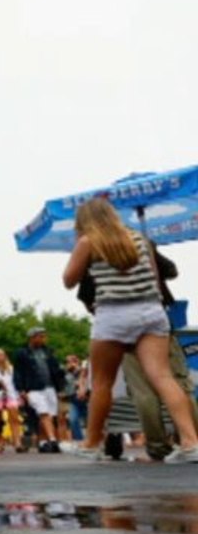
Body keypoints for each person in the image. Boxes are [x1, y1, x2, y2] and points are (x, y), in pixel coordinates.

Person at [61, 197, 198, 462]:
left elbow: (69, 280)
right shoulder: (140, 239)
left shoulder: (89, 242)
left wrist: (82, 251)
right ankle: (191, 442)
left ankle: (91, 444)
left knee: (102, 383)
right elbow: (156, 281)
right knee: (163, 377)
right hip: (151, 312)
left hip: (114, 314)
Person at [11, 327, 66, 454]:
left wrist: (60, 387)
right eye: (41, 336)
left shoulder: (48, 351)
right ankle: (53, 440)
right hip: (33, 388)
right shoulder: (22, 353)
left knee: (49, 416)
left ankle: (42, 442)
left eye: (44, 336)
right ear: (32, 337)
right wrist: (21, 389)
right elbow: (18, 372)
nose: (44, 339)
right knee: (43, 413)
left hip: (50, 387)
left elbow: (56, 370)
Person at [0, 349, 25, 451]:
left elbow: (16, 382)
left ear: (5, 356)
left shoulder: (11, 368)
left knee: (14, 419)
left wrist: (19, 394)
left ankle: (17, 442)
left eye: (1, 354)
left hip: (11, 395)